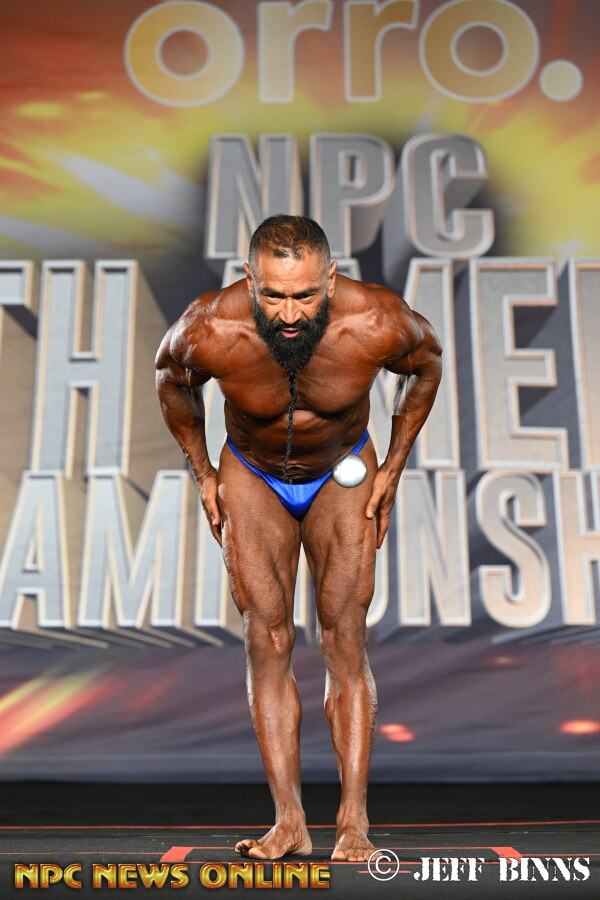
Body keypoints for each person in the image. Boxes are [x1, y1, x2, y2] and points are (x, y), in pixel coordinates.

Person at [155, 215, 442, 862]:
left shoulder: (375, 320)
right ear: (249, 279)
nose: (289, 314)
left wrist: (394, 465)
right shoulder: (210, 327)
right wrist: (202, 472)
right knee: (266, 639)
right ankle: (289, 821)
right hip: (251, 471)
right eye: (274, 295)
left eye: (305, 296)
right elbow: (170, 380)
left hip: (342, 471)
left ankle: (353, 821)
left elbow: (428, 366)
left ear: (331, 279)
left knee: (345, 637)